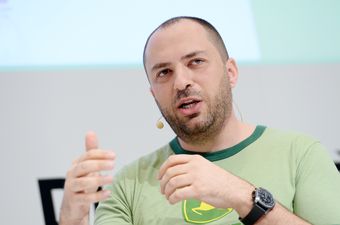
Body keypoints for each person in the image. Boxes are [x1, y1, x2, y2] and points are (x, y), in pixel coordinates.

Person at [59, 16, 340, 225]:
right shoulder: (128, 185)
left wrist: (241, 195)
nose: (181, 82)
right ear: (152, 94)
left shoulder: (300, 154)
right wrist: (72, 217)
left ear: (230, 72)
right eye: (164, 73)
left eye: (195, 62)